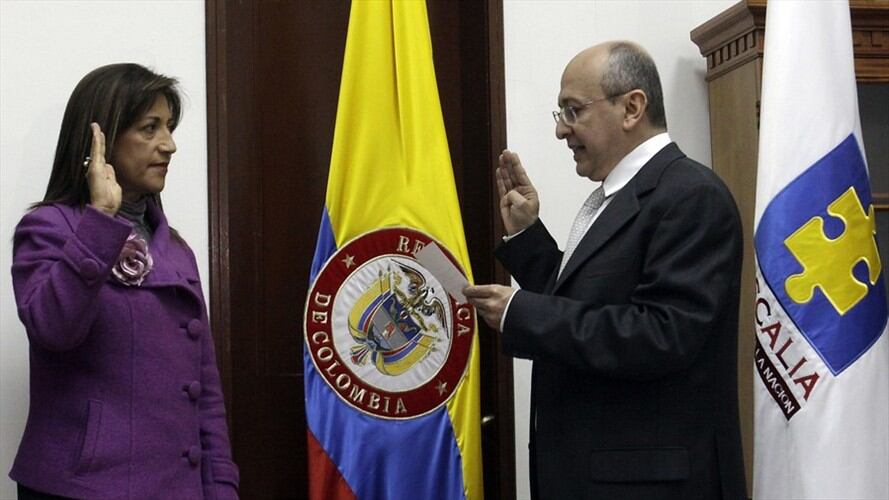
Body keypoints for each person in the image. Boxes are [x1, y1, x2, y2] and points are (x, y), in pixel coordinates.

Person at [464, 42, 746, 499]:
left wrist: (522, 313)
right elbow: (586, 304)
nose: (561, 130)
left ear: (631, 108)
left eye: (573, 111)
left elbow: (661, 335)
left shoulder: (692, 196)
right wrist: (528, 237)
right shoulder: (617, 197)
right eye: (560, 113)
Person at [10, 64, 239, 499]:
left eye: (169, 127)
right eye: (150, 128)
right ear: (102, 140)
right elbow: (53, 330)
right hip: (81, 488)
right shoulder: (48, 228)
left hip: (176, 488)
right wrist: (100, 219)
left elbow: (204, 391)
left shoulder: (176, 248)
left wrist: (220, 486)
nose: (169, 144)